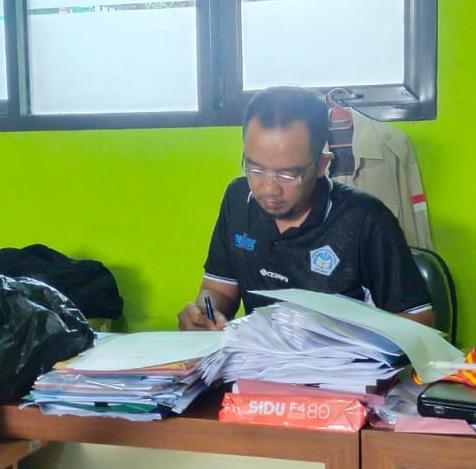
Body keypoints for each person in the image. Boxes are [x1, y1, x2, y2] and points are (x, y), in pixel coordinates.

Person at [178, 86, 435, 331]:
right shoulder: (238, 199)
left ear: (322, 165)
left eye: (288, 175)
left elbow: (420, 319)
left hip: (340, 361)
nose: (269, 188)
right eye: (255, 169)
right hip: (259, 359)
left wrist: (345, 339)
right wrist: (205, 312)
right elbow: (219, 289)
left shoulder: (365, 219)